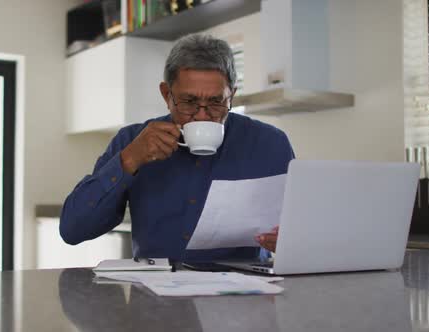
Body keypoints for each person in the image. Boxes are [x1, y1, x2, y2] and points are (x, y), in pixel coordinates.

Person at [60, 34, 294, 262]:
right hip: (156, 293)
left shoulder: (270, 144)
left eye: (215, 102)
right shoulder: (132, 140)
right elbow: (73, 230)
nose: (202, 115)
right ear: (166, 95)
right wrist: (129, 160)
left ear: (231, 96)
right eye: (189, 102)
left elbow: (302, 232)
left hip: (245, 293)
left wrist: (289, 240)